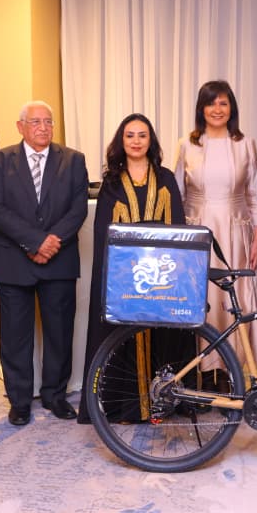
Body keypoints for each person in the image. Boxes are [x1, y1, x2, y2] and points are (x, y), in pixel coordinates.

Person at [0, 101, 89, 426]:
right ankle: (19, 401)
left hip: (59, 258)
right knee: (15, 335)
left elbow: (78, 208)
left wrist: (51, 242)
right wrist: (34, 242)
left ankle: (55, 395)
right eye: (35, 122)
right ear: (20, 127)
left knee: (59, 332)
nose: (43, 127)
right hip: (13, 260)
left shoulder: (73, 160)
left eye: (48, 121)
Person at [79, 113, 185, 423]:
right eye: (130, 135)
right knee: (121, 335)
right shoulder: (112, 182)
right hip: (125, 276)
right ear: (121, 141)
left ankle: (164, 402)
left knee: (162, 334)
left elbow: (177, 227)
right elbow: (103, 233)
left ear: (151, 140)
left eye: (142, 135)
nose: (136, 141)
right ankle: (123, 407)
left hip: (162, 275)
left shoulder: (166, 178)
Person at [173, 80, 257, 372]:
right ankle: (201, 371)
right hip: (198, 233)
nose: (217, 109)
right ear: (201, 108)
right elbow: (178, 195)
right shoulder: (187, 144)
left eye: (223, 103)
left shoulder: (245, 144)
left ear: (232, 108)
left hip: (236, 234)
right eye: (211, 103)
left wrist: (256, 239)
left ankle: (232, 370)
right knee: (203, 298)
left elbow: (254, 196)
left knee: (235, 299)